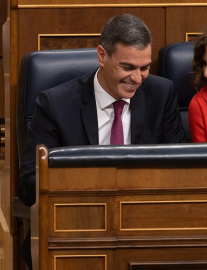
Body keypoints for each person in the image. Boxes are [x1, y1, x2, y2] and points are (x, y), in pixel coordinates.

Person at [19, 14, 186, 206]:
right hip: (79, 213)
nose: (138, 78)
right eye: (127, 67)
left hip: (143, 212)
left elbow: (180, 168)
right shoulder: (55, 104)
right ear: (102, 56)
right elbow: (28, 186)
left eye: (144, 68)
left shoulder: (161, 94)